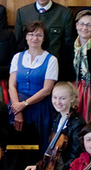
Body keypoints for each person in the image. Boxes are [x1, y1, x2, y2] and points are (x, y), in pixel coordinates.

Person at [11, 81, 85, 170]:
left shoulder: (78, 124)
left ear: (72, 99)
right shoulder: (59, 118)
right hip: (51, 167)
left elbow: (75, 159)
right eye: (55, 98)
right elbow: (52, 150)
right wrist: (37, 166)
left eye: (62, 98)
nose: (57, 102)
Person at [8, 21, 58, 152]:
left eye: (39, 35)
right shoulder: (17, 57)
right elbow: (12, 85)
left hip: (39, 108)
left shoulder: (51, 60)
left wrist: (24, 104)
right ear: (26, 36)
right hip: (16, 106)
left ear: (44, 38)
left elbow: (46, 90)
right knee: (16, 145)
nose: (34, 38)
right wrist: (17, 109)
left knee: (39, 144)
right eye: (31, 34)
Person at [13, 0, 75, 80]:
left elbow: (67, 47)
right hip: (28, 71)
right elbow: (18, 43)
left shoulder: (64, 14)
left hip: (55, 71)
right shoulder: (23, 13)